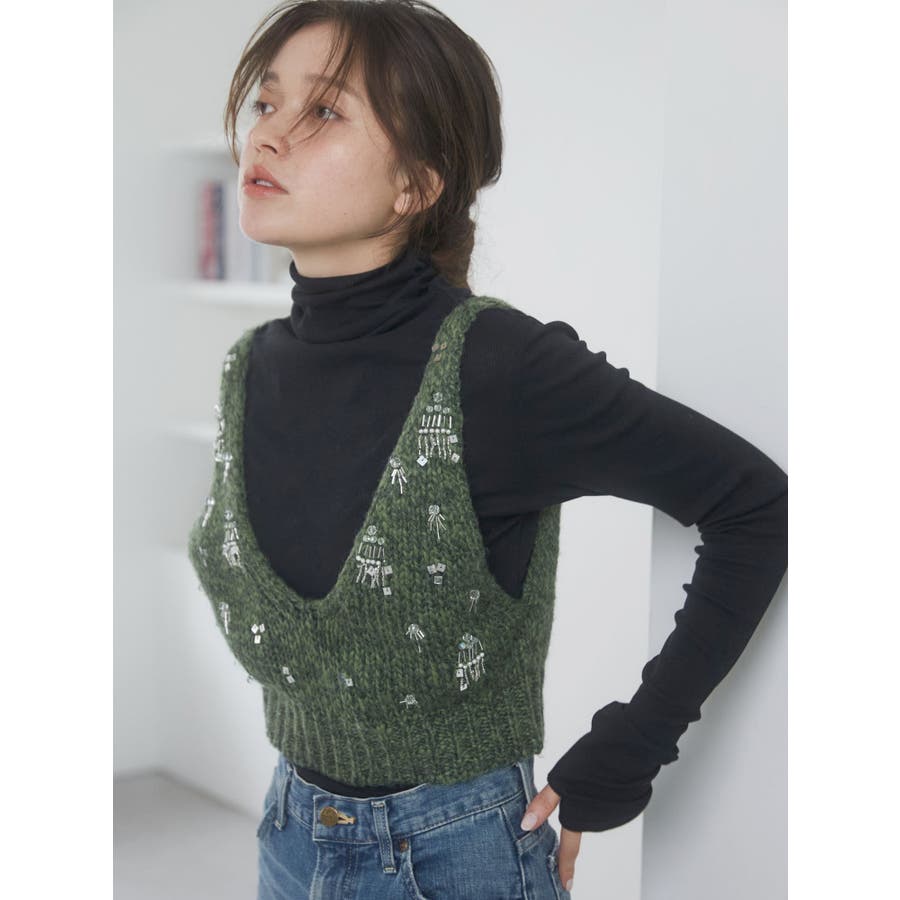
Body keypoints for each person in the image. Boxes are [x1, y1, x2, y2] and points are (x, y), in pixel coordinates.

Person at [188, 2, 788, 897]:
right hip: (288, 833)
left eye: (324, 111)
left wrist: (633, 744)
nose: (267, 135)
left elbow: (754, 504)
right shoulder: (248, 368)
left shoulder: (496, 367)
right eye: (267, 104)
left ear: (415, 185)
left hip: (453, 855)